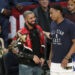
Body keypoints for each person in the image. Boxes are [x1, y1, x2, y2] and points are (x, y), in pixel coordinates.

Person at [14, 10, 45, 75]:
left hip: (38, 65)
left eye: (34, 17)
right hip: (25, 67)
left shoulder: (38, 29)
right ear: (25, 20)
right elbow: (16, 51)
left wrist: (42, 57)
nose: (34, 19)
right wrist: (32, 57)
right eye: (31, 18)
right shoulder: (21, 33)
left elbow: (42, 45)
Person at [48, 5, 75, 75]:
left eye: (51, 13)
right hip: (54, 63)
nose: (50, 15)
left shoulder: (70, 25)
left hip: (67, 62)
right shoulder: (52, 24)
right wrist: (50, 58)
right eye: (49, 13)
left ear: (58, 12)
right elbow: (52, 42)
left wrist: (66, 58)